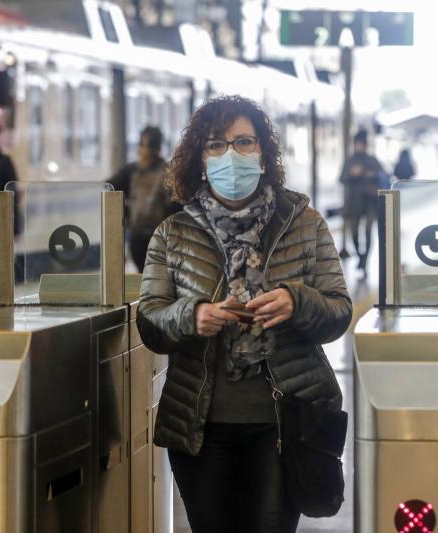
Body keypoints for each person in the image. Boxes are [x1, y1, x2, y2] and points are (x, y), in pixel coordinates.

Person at [136, 95, 352, 533]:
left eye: (244, 143)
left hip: (284, 421)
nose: (230, 156)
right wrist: (190, 316)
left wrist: (297, 301)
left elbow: (338, 312)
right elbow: (150, 320)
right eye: (216, 145)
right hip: (199, 425)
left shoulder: (305, 224)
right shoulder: (172, 233)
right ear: (199, 158)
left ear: (263, 154)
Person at [107, 126, 179, 271]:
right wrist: (125, 213)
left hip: (161, 238)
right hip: (138, 237)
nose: (142, 151)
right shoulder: (131, 171)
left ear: (155, 149)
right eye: (142, 145)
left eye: (146, 146)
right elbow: (108, 188)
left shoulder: (167, 172)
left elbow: (176, 205)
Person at [339, 128, 386, 278]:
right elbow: (341, 178)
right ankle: (361, 256)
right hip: (354, 204)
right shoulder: (350, 161)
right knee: (353, 233)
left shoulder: (372, 160)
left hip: (371, 203)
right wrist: (352, 174)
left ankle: (364, 262)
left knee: (368, 232)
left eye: (361, 144)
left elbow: (384, 176)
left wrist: (370, 174)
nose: (359, 146)